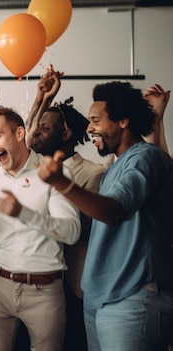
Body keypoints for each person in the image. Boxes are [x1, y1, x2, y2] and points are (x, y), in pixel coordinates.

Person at [38, 81, 173, 351]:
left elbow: (115, 211)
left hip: (133, 299)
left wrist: (63, 184)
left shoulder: (145, 158)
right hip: (102, 299)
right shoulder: (116, 166)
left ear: (123, 121)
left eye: (96, 120)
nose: (89, 129)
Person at [0, 107, 80, 351]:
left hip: (43, 290)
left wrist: (24, 213)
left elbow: (72, 232)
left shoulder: (56, 173)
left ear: (19, 133)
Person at [30, 98, 106, 351]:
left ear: (66, 133)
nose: (38, 132)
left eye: (45, 128)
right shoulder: (29, 172)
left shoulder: (93, 172)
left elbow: (87, 228)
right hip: (35, 281)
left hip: (73, 276)